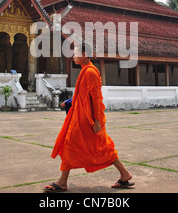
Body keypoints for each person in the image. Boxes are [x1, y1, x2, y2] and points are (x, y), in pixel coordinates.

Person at [44, 43, 134, 192]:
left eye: (76, 53)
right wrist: (70, 102)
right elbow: (83, 95)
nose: (73, 56)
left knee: (71, 145)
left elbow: (96, 98)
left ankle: (62, 182)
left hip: (87, 121)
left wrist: (97, 121)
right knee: (101, 148)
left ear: (84, 55)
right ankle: (124, 174)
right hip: (81, 118)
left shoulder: (90, 72)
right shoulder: (85, 71)